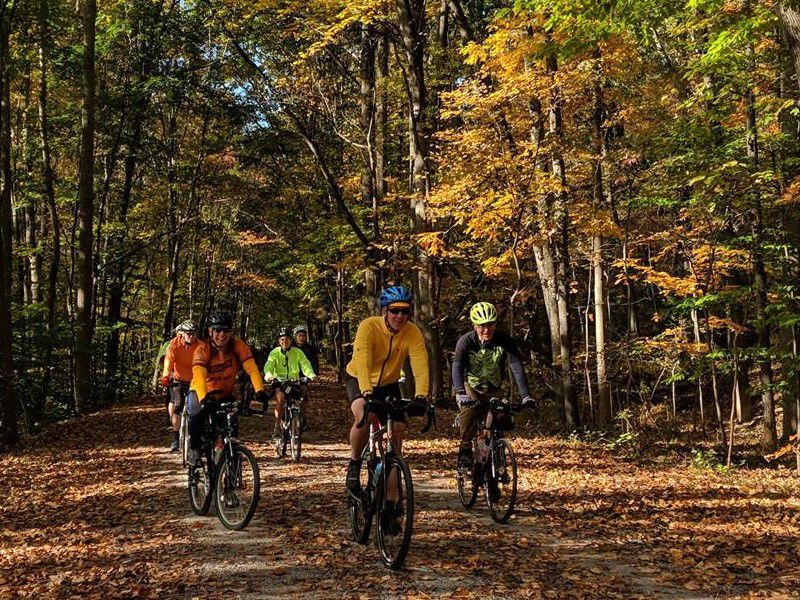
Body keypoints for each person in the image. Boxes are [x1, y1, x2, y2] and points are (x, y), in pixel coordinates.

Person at [344, 285, 430, 504]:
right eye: (394, 310)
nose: (400, 316)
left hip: (389, 384)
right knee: (365, 414)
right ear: (385, 311)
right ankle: (354, 463)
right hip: (359, 379)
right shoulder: (369, 327)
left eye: (405, 311)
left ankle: (391, 503)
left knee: (396, 443)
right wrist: (366, 392)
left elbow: (420, 364)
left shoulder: (412, 332)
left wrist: (421, 396)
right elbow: (362, 362)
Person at [453, 302, 536, 471]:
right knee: (470, 410)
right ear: (474, 325)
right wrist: (460, 392)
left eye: (491, 324)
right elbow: (457, 366)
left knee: (499, 416)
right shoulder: (466, 341)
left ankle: (493, 455)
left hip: (494, 387)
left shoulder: (504, 340)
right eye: (482, 326)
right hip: (471, 386)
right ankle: (465, 448)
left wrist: (526, 395)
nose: (487, 329)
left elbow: (516, 366)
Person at [186, 312, 267, 466]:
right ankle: (194, 449)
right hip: (200, 390)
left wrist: (259, 390)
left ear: (231, 332)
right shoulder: (203, 349)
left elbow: (251, 369)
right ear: (210, 331)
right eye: (217, 330)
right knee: (196, 412)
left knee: (231, 423)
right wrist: (204, 398)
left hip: (224, 393)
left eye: (225, 330)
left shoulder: (238, 346)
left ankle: (231, 461)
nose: (221, 335)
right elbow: (199, 374)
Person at [263, 327, 317, 441]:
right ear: (279, 341)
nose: (285, 341)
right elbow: (269, 365)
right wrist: (268, 375)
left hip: (293, 381)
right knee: (280, 399)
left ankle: (298, 419)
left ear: (291, 340)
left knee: (302, 395)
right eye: (282, 339)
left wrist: (310, 374)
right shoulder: (274, 353)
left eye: (287, 339)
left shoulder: (297, 352)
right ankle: (277, 427)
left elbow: (305, 364)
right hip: (279, 381)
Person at [159, 320, 199, 452]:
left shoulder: (200, 346)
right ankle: (175, 439)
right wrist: (165, 376)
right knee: (177, 405)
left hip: (194, 381)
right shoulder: (174, 345)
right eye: (188, 334)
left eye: (193, 334)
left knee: (198, 408)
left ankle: (197, 436)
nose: (191, 336)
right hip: (178, 379)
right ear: (182, 334)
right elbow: (168, 361)